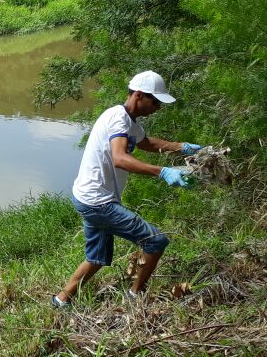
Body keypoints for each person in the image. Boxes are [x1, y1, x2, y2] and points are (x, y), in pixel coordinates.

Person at [52, 71, 203, 308]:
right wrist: (163, 172)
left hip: (88, 198)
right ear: (139, 95)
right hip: (98, 202)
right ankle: (135, 295)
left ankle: (61, 300)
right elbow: (120, 158)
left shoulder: (129, 121)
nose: (158, 108)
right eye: (156, 101)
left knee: (96, 258)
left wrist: (182, 147)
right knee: (155, 241)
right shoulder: (118, 119)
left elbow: (147, 143)